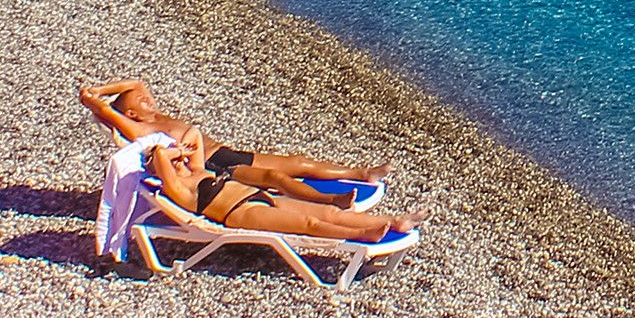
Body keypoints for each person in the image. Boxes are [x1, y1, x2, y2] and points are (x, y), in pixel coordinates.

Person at [79, 80, 384, 204]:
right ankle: (332, 200)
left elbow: (136, 83)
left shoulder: (153, 117)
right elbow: (102, 108)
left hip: (223, 153)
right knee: (281, 174)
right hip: (213, 167)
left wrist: (104, 87)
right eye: (143, 102)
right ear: (130, 113)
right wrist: (96, 98)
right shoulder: (137, 129)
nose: (150, 100)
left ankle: (358, 173)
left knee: (295, 162)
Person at [142, 129, 418, 244]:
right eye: (173, 160)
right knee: (309, 223)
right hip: (239, 211)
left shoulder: (197, 170)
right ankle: (363, 234)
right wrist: (170, 154)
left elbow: (193, 133)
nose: (180, 160)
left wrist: (181, 149)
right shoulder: (177, 189)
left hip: (257, 195)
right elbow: (161, 157)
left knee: (329, 213)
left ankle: (394, 221)